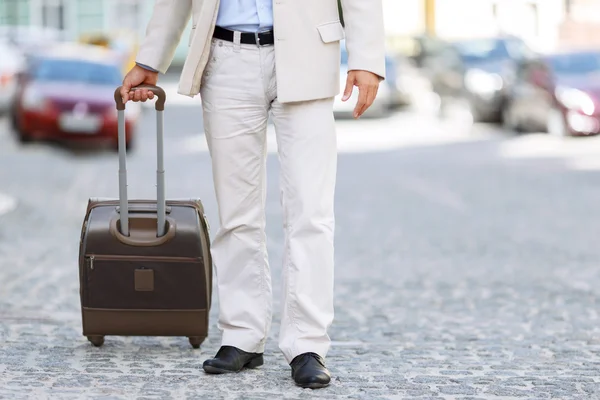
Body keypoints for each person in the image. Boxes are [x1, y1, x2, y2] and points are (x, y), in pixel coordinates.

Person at [120, 0, 385, 389]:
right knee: (236, 213)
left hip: (307, 54)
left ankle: (307, 344)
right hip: (225, 60)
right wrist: (151, 59)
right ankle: (243, 334)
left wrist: (367, 58)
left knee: (310, 212)